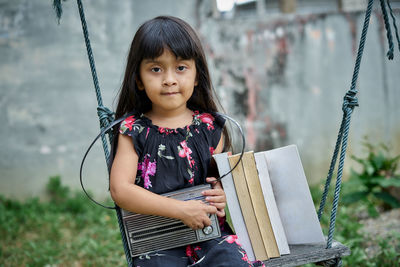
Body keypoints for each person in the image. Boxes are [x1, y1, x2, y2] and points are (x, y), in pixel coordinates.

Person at [110, 16, 264, 267]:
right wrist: (180, 210)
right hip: (157, 242)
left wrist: (222, 197)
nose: (169, 79)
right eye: (156, 69)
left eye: (180, 68)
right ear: (138, 79)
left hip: (210, 236)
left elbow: (223, 184)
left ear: (196, 76)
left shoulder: (211, 128)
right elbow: (121, 190)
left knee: (232, 260)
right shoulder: (134, 131)